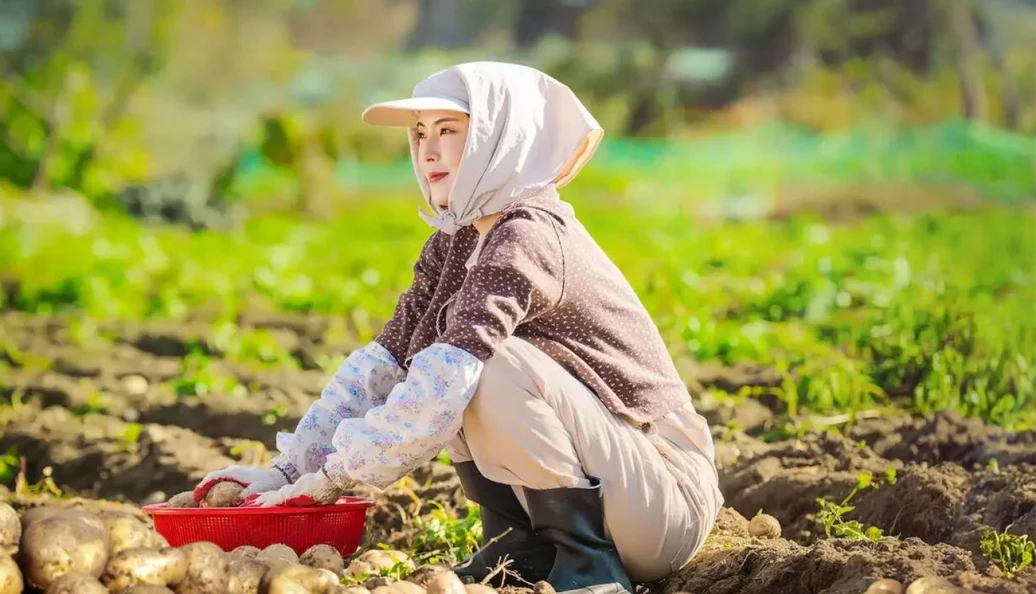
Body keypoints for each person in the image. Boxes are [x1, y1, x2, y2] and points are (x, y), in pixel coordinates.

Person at [193, 61, 723, 594]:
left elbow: (443, 387)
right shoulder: (458, 238)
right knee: (435, 367)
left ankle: (588, 563)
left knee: (473, 367)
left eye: (448, 131)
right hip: (618, 488)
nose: (428, 151)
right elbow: (383, 364)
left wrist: (331, 479)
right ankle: (519, 544)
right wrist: (287, 472)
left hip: (664, 498)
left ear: (502, 137)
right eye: (420, 133)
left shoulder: (528, 233)